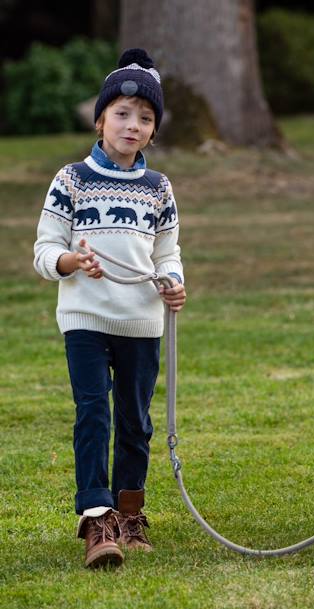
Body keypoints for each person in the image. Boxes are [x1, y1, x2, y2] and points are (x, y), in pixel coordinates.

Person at [33, 48, 186, 568]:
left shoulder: (157, 188)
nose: (132, 125)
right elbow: (44, 250)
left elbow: (167, 252)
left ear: (153, 131)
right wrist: (73, 261)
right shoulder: (71, 179)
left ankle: (130, 509)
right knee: (94, 412)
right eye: (121, 114)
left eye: (145, 118)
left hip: (141, 320)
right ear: (100, 119)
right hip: (86, 319)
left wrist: (174, 283)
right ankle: (97, 517)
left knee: (136, 421)